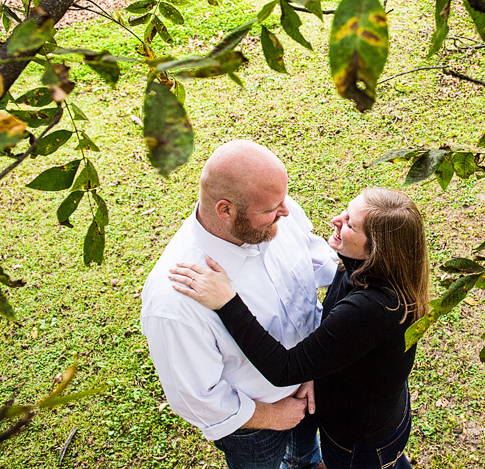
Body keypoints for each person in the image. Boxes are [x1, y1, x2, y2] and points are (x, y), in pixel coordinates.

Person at [169, 188, 430, 469]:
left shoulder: (370, 309)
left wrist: (228, 302)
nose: (335, 220)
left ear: (376, 249)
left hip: (359, 440)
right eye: (346, 211)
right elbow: (335, 340)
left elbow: (285, 369)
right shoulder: (363, 268)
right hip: (381, 415)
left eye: (350, 224)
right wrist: (314, 372)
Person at [140, 140, 338, 469]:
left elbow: (320, 263)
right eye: (271, 208)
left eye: (283, 199)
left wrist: (314, 370)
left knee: (307, 456)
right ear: (226, 210)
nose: (286, 211)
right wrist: (272, 415)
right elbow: (197, 398)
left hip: (310, 386)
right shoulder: (174, 300)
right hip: (255, 426)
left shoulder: (276, 215)